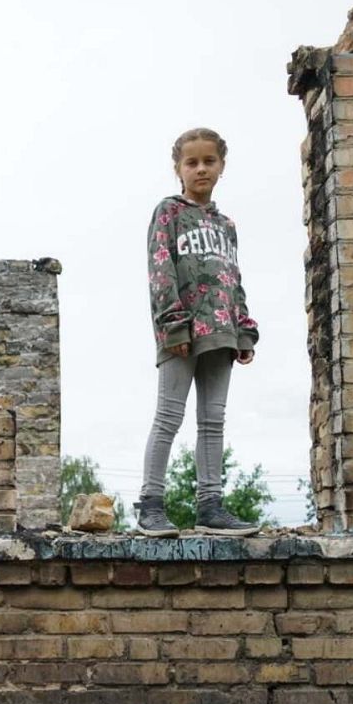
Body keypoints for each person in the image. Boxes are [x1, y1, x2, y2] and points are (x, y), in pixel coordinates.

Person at [134, 127, 260, 537]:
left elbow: (232, 278)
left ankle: (211, 507)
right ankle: (151, 505)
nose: (201, 168)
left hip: (221, 331)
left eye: (209, 161)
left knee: (213, 419)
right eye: (192, 162)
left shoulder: (226, 224)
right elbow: (160, 270)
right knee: (169, 415)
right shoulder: (168, 213)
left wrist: (244, 331)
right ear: (178, 169)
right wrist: (173, 324)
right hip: (182, 332)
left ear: (221, 166)